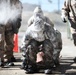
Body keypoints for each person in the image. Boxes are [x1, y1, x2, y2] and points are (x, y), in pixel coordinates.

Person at [0, 0, 22, 67]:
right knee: (0, 41)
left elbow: (19, 12)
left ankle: (8, 59)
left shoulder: (16, 2)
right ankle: (1, 59)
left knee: (10, 43)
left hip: (10, 23)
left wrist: (18, 22)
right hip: (1, 23)